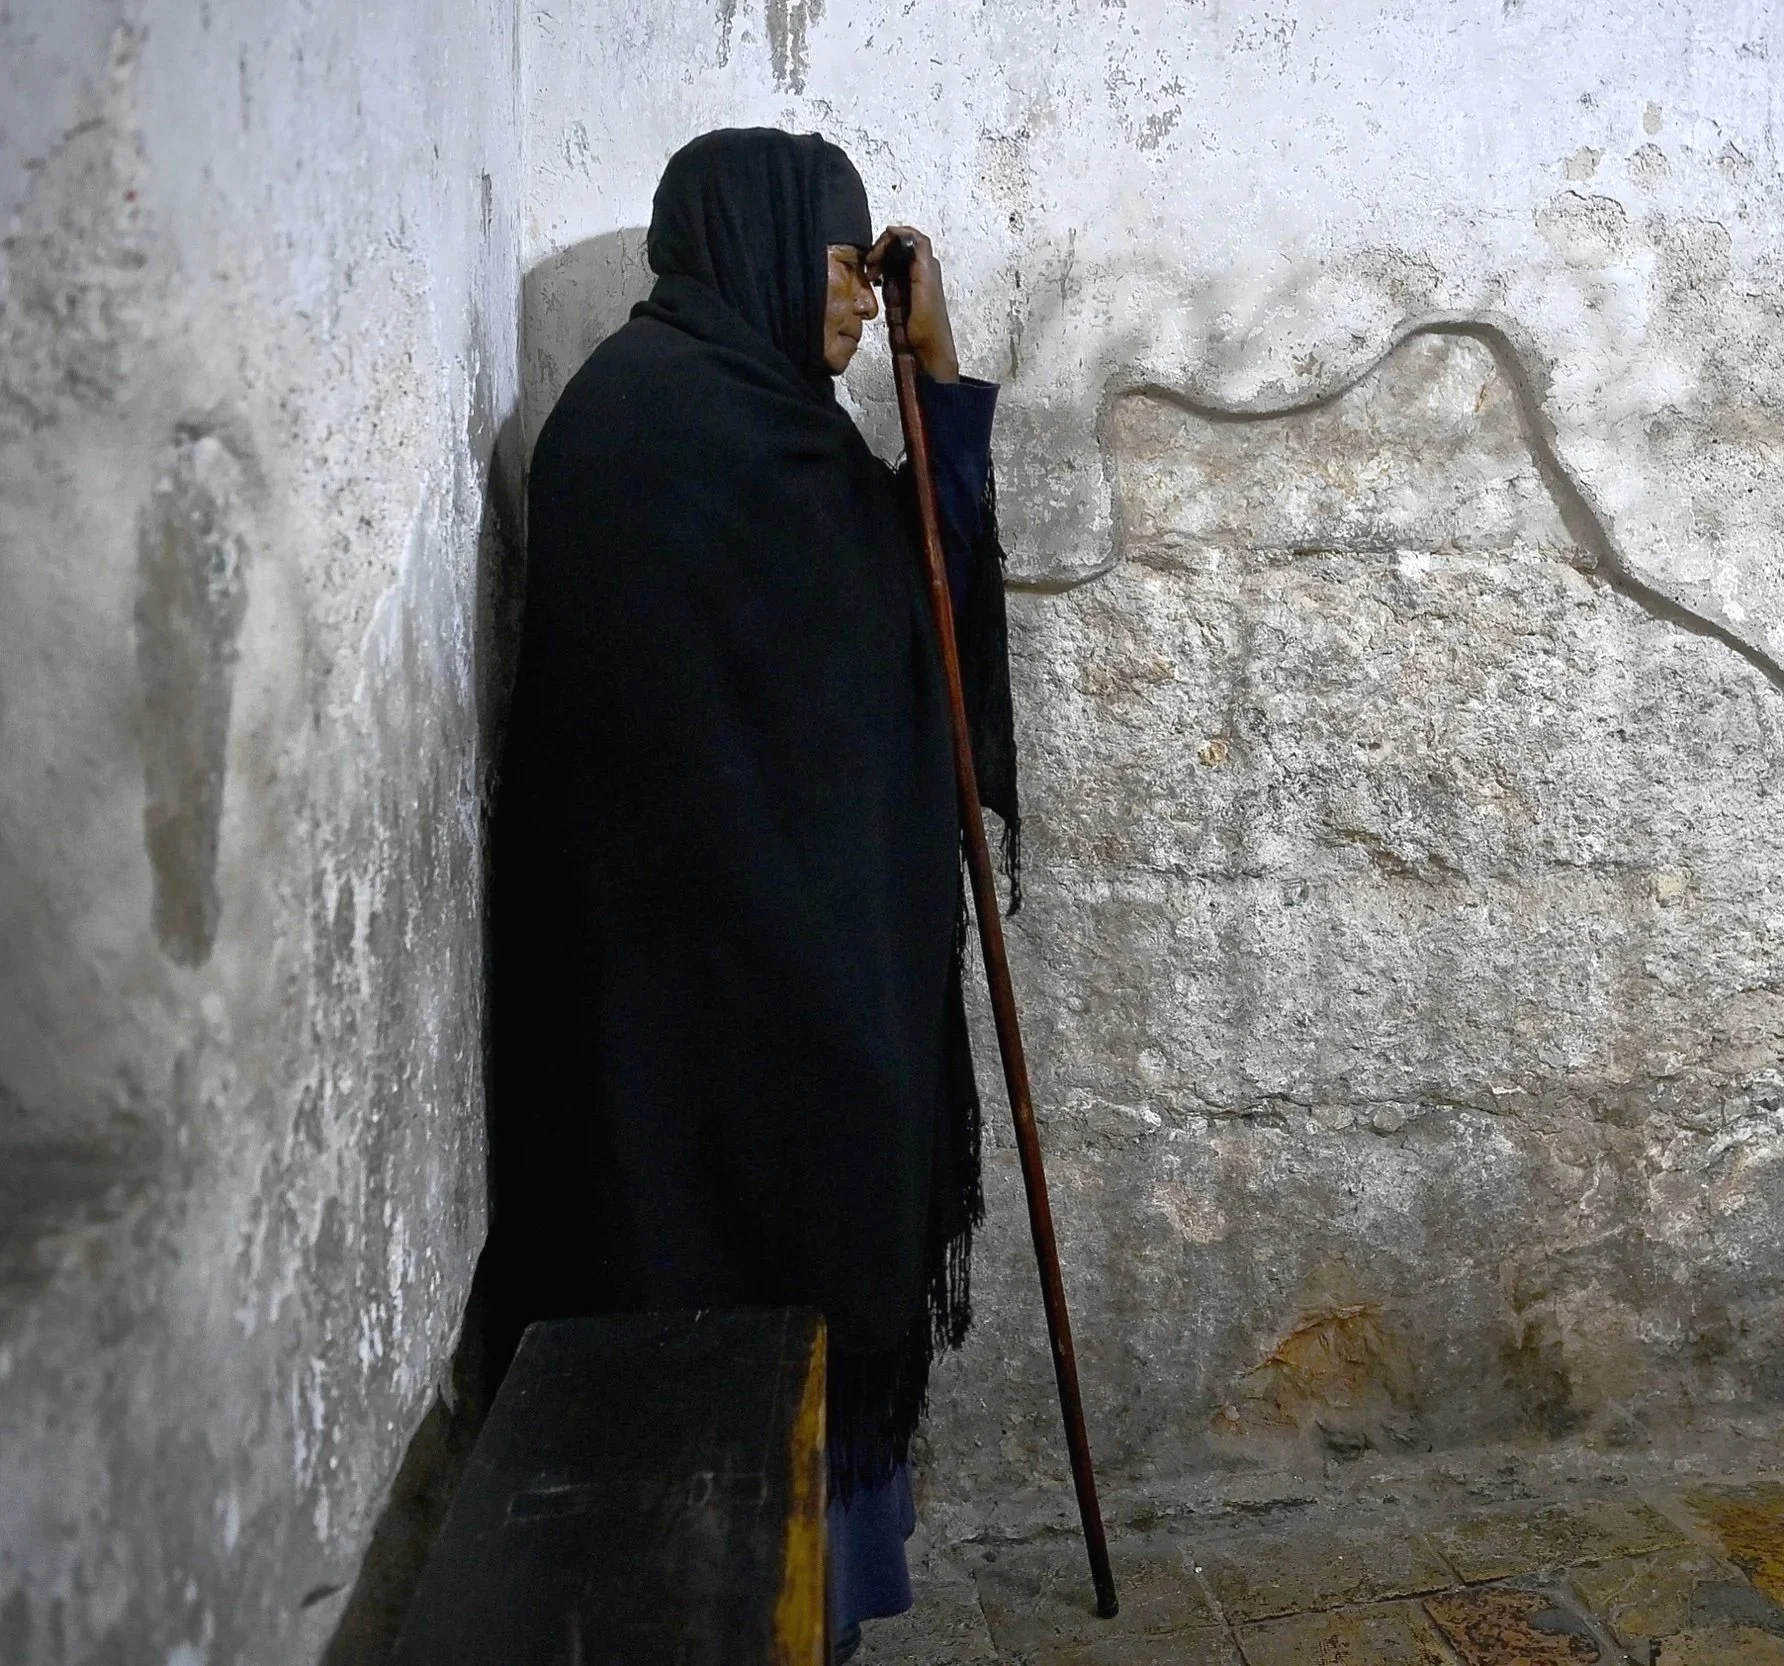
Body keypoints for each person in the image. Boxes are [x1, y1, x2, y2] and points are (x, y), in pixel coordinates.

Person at [483, 127, 1017, 1661]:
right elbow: (920, 603)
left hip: (709, 994)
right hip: (737, 1011)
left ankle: (773, 1603)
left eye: (865, 265)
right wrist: (939, 396)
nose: (857, 298)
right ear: (766, 242)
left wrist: (931, 363)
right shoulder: (687, 432)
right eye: (844, 260)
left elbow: (905, 605)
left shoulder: (692, 415)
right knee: (747, 1309)